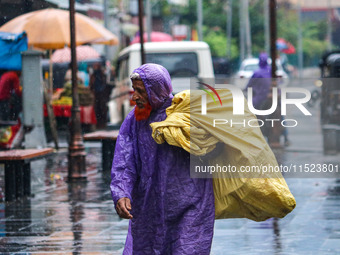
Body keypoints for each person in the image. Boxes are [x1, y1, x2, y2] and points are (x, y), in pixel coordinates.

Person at [110, 63, 215, 254]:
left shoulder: (184, 114)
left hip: (190, 204)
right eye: (134, 90)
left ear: (156, 90)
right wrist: (121, 192)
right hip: (150, 206)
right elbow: (125, 161)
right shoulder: (134, 120)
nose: (135, 97)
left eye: (140, 91)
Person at [245, 53, 289, 146]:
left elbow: (249, 86)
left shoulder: (257, 73)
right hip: (275, 98)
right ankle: (286, 137)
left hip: (260, 100)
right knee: (281, 116)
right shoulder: (272, 71)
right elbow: (279, 83)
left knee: (250, 115)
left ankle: (251, 137)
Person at [89, 63, 108, 129]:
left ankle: (99, 124)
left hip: (97, 94)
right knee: (101, 109)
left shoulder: (94, 74)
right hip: (101, 94)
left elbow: (91, 84)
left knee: (98, 109)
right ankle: (102, 124)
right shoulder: (102, 74)